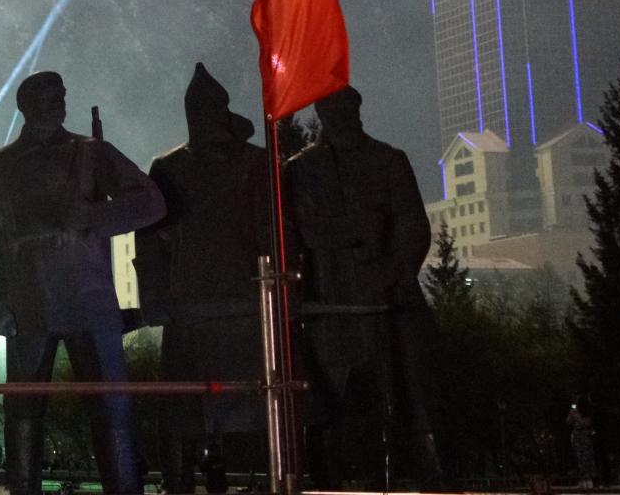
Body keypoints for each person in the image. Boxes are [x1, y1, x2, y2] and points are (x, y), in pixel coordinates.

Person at [0, 70, 166, 494]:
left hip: (89, 300)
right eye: (49, 95)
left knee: (112, 409)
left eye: (61, 94)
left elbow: (152, 202)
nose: (59, 101)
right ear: (26, 106)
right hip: (29, 304)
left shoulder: (90, 152)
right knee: (23, 414)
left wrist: (96, 217)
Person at [286, 86, 442, 487]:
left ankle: (425, 479)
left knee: (408, 404)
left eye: (347, 108)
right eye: (333, 109)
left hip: (387, 307)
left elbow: (413, 229)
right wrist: (356, 228)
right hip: (327, 310)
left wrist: (388, 274)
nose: (342, 116)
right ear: (322, 113)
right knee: (325, 412)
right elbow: (299, 233)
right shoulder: (301, 169)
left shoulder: (388, 160)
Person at [134, 63, 273, 492]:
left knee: (260, 405)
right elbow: (150, 241)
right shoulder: (168, 168)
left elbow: (274, 230)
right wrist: (155, 300)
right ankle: (179, 483)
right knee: (182, 413)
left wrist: (278, 292)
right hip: (190, 309)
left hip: (246, 307)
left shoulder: (255, 163)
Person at [567, 401, 597, 489]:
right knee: (584, 458)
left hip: (582, 436)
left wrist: (575, 416)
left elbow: (570, 422)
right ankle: (586, 480)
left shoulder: (581, 414)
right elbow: (568, 421)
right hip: (583, 436)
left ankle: (586, 480)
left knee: (583, 458)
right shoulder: (585, 413)